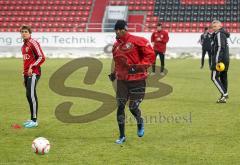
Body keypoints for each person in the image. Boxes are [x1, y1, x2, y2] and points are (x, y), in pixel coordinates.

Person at [108, 20, 155, 144]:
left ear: (125, 29)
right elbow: (118, 63)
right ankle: (122, 136)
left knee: (133, 107)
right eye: (115, 30)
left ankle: (140, 122)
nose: (117, 32)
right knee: (120, 106)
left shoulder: (138, 40)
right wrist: (113, 74)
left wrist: (138, 67)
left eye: (119, 29)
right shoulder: (115, 46)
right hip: (122, 81)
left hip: (138, 80)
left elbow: (150, 55)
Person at [20, 25, 45, 128]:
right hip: (27, 74)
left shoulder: (33, 42)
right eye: (22, 32)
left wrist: (32, 66)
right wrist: (24, 74)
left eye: (26, 31)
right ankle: (31, 119)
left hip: (34, 73)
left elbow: (41, 57)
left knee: (31, 95)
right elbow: (26, 61)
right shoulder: (23, 46)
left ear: (30, 33)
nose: (24, 33)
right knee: (28, 95)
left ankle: (34, 121)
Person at [210, 20, 230, 103]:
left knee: (214, 77)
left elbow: (219, 48)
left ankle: (224, 94)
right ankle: (223, 98)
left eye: (215, 26)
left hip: (220, 60)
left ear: (220, 26)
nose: (213, 28)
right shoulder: (222, 34)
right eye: (212, 27)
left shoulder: (219, 34)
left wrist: (216, 61)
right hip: (225, 59)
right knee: (223, 78)